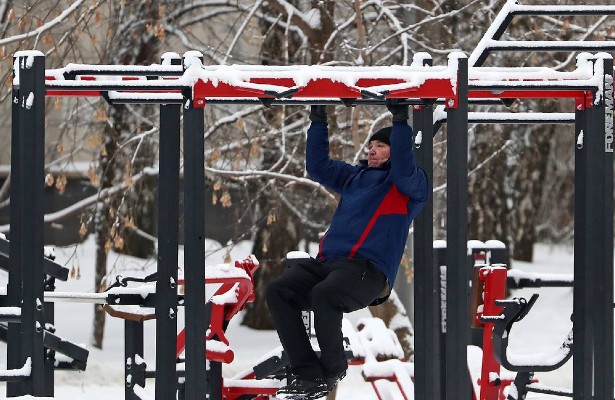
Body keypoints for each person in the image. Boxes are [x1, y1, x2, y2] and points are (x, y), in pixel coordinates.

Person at [266, 101, 429, 400]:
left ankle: (332, 369)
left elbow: (406, 168)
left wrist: (402, 120)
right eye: (371, 145)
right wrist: (318, 119)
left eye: (381, 146)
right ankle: (308, 374)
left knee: (324, 295)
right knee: (278, 290)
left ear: (397, 150)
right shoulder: (354, 178)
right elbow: (317, 167)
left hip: (368, 271)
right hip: (330, 265)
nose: (372, 150)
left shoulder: (408, 188)